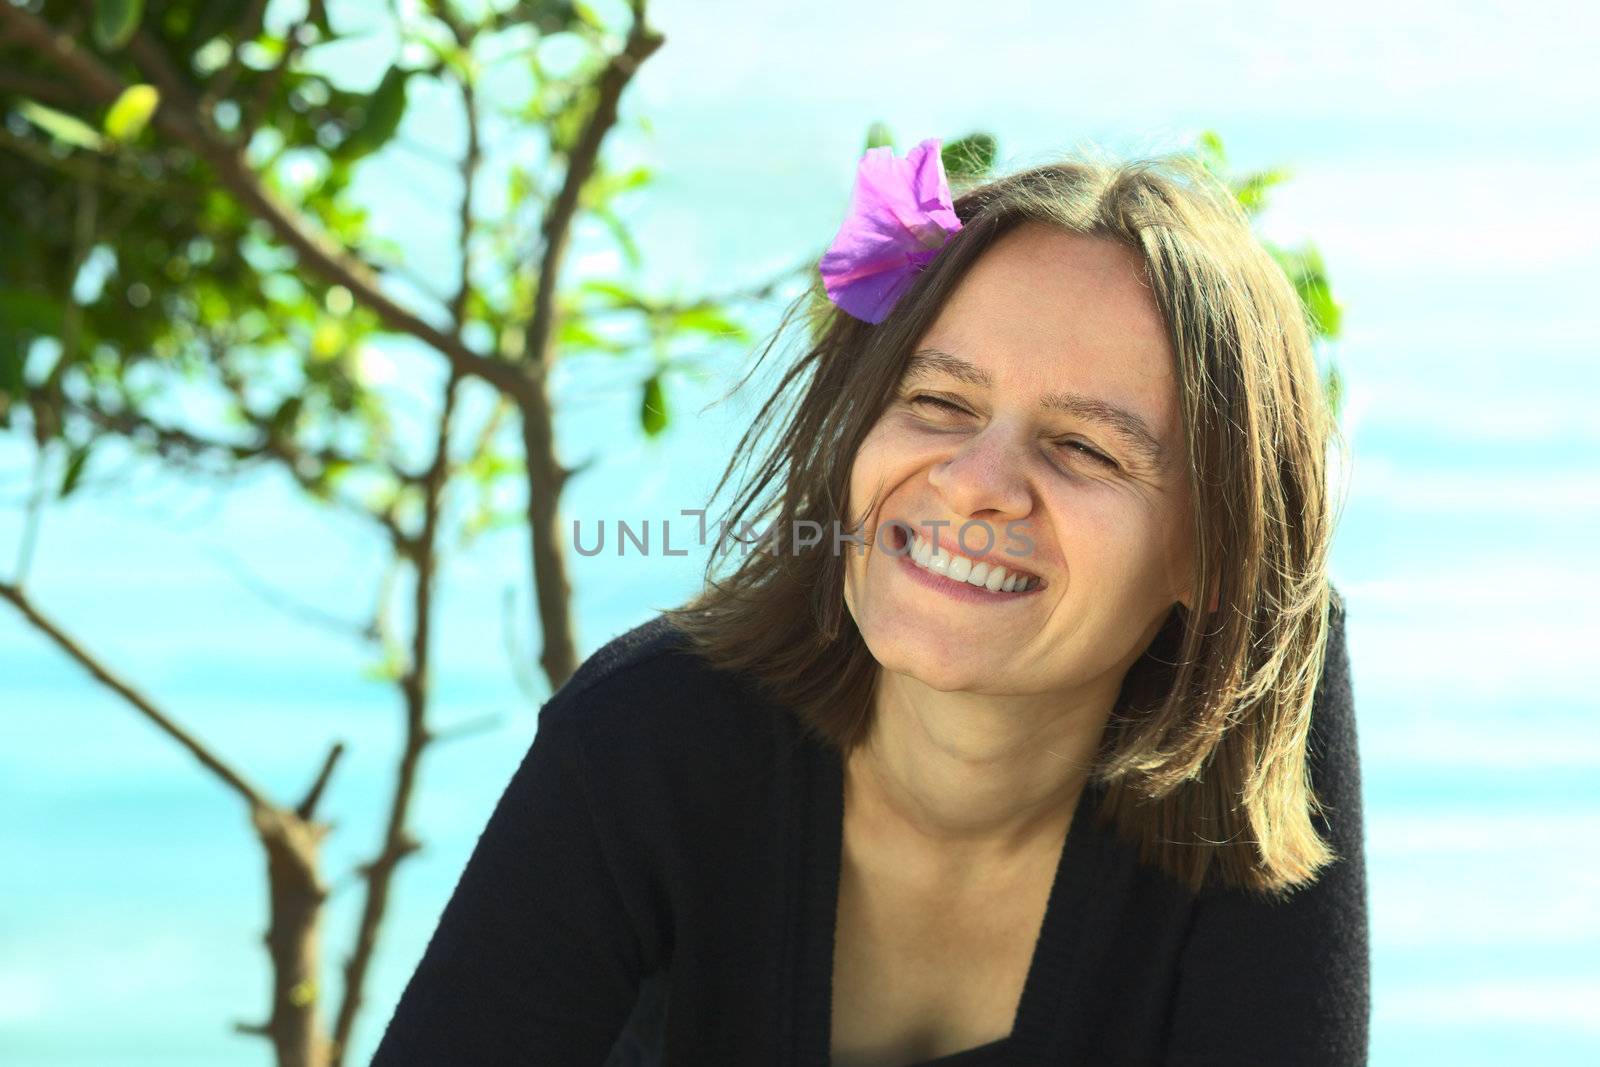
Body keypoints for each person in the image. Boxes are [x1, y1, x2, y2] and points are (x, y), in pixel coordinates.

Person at [370, 140, 1368, 1066]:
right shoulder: (648, 730)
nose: (975, 481)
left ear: (1218, 558)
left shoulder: (1256, 716)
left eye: (1085, 448)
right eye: (938, 403)